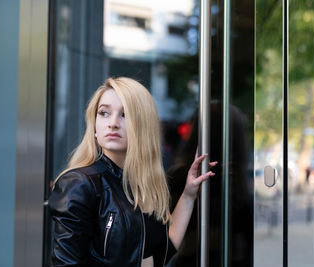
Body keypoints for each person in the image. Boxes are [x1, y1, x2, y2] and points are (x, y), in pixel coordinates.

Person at [48, 77, 217, 267]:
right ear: (94, 126)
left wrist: (188, 194)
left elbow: (162, 252)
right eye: (104, 113)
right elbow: (66, 263)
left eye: (125, 114)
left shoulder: (141, 185)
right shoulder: (80, 183)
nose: (112, 123)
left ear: (143, 126)